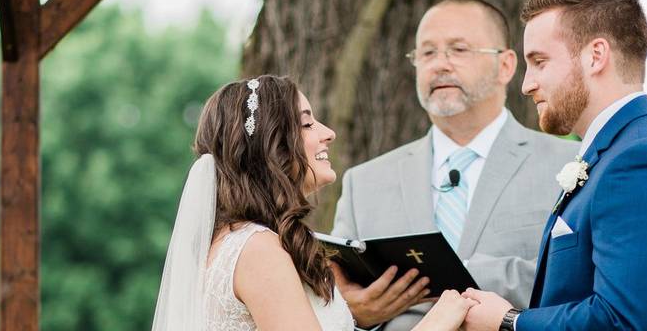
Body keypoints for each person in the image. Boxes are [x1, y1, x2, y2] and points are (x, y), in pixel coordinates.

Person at [461, 0, 647, 331]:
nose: (527, 84)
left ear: (596, 56)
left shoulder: (642, 163)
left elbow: (624, 323)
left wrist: (508, 322)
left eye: (539, 61)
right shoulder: (618, 153)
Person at [150, 75, 476, 330]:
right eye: (307, 123)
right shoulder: (259, 249)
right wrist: (437, 321)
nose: (328, 133)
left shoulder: (235, 242)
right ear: (272, 145)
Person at [331, 0, 579, 330]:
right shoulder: (364, 183)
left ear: (506, 65)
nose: (440, 64)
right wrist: (352, 312)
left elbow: (579, 278)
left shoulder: (569, 165)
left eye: (459, 49)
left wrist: (441, 277)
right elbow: (335, 299)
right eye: (427, 52)